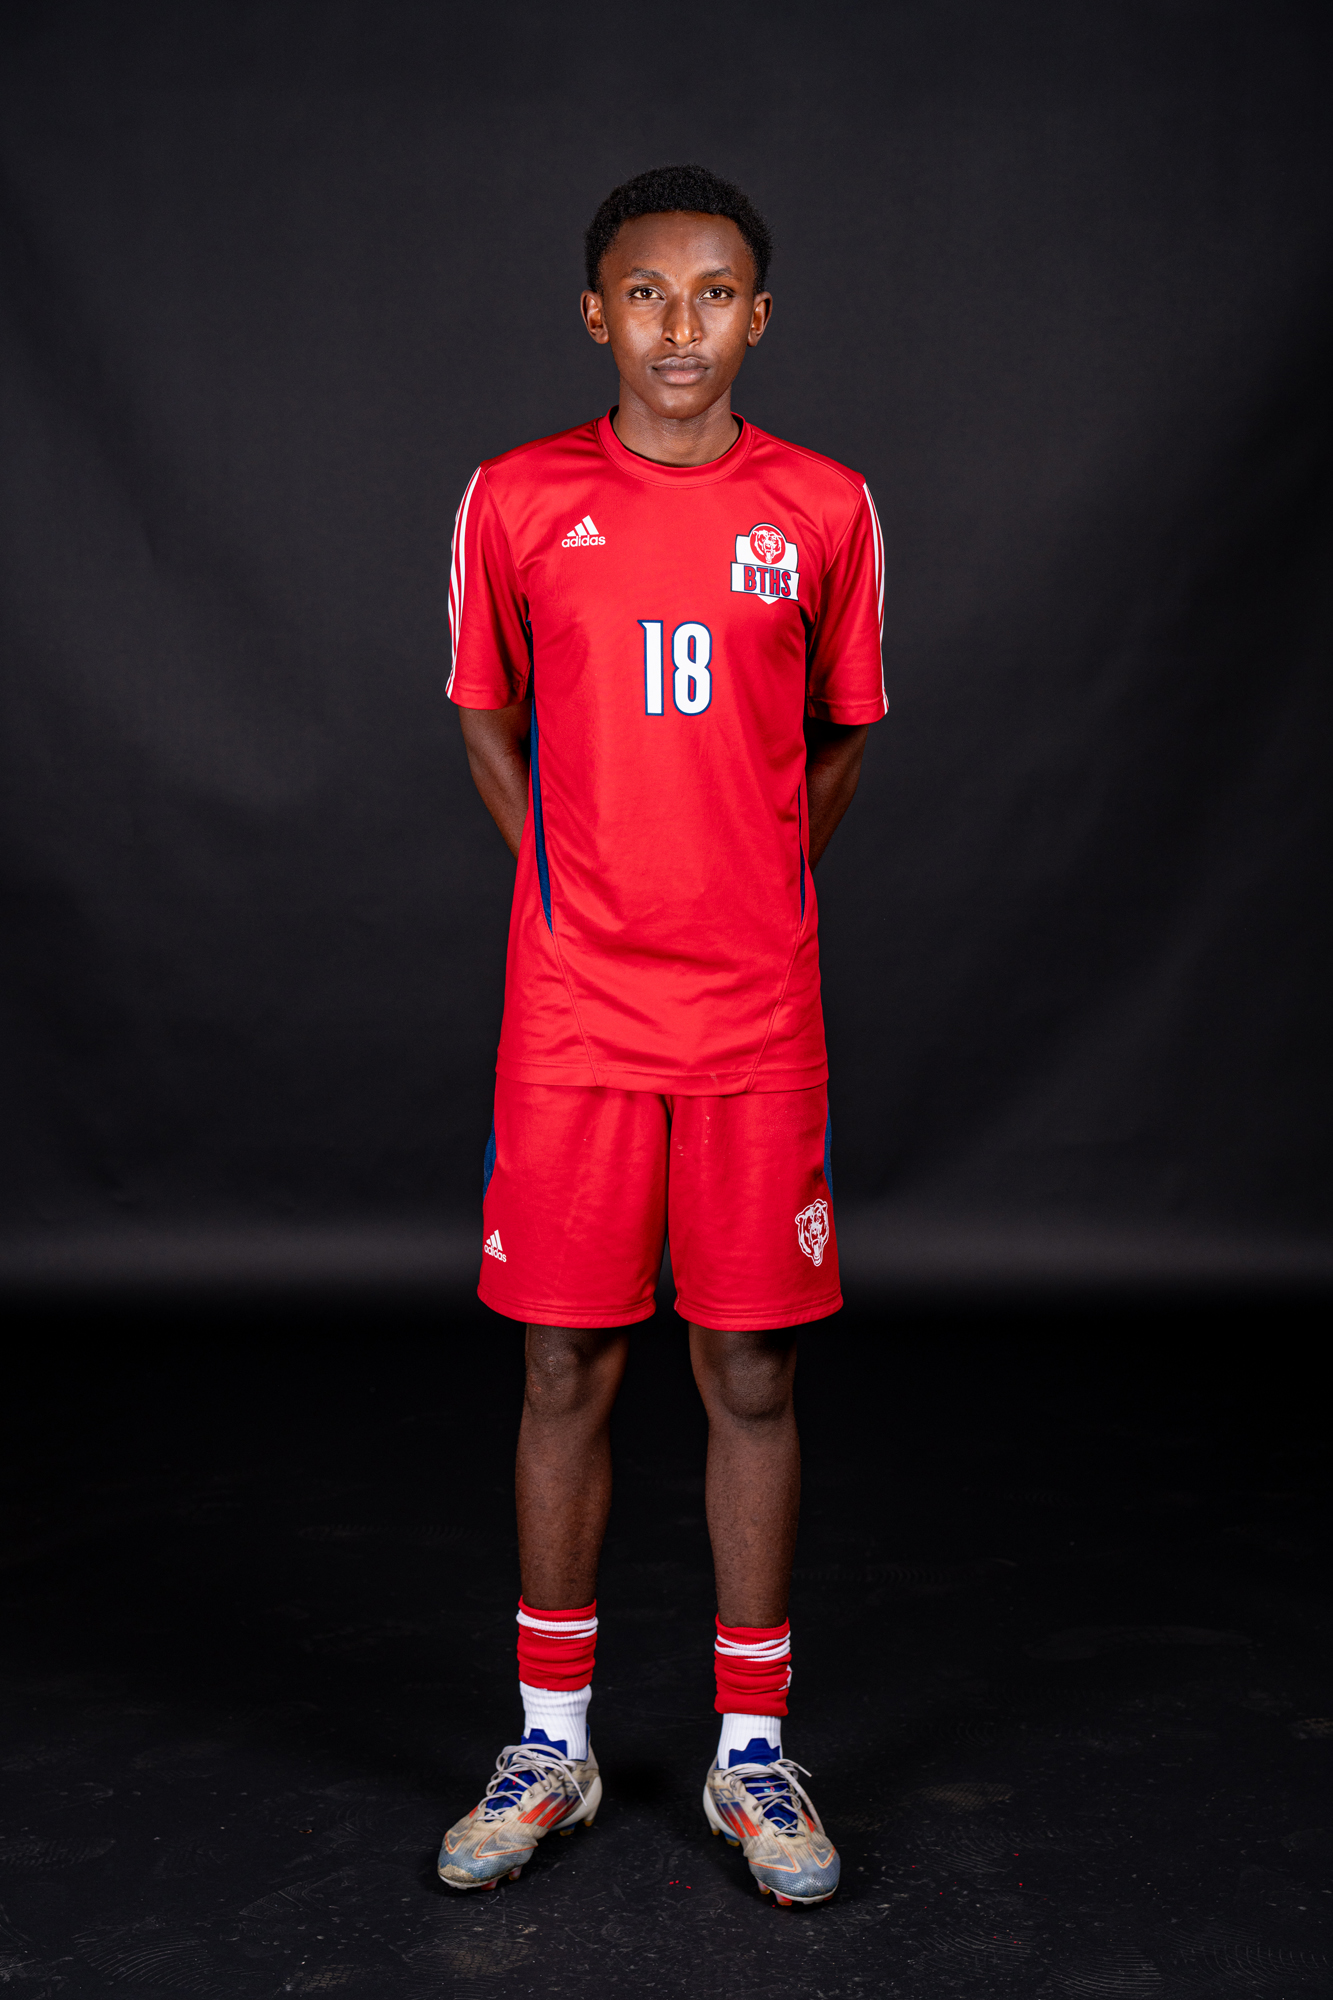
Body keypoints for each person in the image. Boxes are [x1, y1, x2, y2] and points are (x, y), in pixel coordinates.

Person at [437, 163, 885, 1906]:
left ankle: (750, 1755)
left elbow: (842, 730)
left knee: (750, 1369)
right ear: (594, 313)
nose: (677, 325)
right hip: (572, 1014)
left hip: (757, 1012)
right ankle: (548, 1741)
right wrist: (575, 891)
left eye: (711, 294)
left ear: (757, 318)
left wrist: (750, 882)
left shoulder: (826, 506)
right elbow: (486, 714)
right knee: (562, 1359)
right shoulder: (514, 498)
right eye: (645, 292)